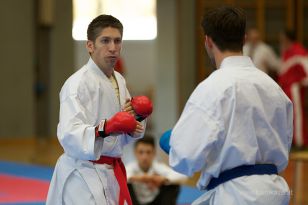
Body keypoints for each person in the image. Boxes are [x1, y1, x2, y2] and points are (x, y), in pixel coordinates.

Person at [160, 6, 293, 205]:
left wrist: (174, 143)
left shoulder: (213, 88)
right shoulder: (274, 89)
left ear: (208, 41)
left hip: (236, 195)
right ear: (244, 39)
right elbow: (285, 142)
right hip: (275, 192)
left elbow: (185, 158)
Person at [46, 15, 153, 205]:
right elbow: (69, 135)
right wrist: (105, 128)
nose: (112, 47)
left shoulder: (119, 80)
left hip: (110, 171)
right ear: (90, 46)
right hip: (82, 173)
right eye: (105, 41)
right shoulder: (77, 84)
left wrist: (137, 116)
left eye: (117, 41)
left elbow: (125, 133)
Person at [126, 136, 187, 205]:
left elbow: (183, 177)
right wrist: (141, 178)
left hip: (156, 202)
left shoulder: (158, 167)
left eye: (148, 152)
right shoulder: (131, 167)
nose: (144, 157)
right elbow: (120, 178)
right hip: (135, 202)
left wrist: (162, 180)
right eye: (141, 152)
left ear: (154, 153)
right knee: (125, 184)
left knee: (172, 185)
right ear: (135, 153)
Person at [278, 29, 308, 147]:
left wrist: (302, 82)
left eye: (282, 38)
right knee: (288, 115)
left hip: (295, 89)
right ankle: (291, 141)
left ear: (287, 38)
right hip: (285, 88)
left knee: (297, 114)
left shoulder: (299, 51)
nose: (281, 41)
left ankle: (301, 141)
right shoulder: (286, 52)